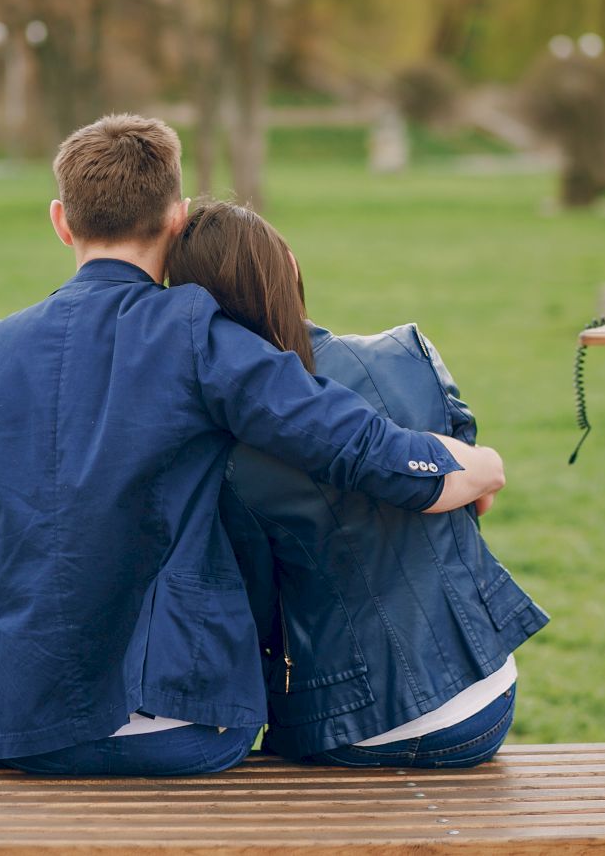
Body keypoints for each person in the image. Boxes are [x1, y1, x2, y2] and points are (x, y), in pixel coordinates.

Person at [0, 114, 506, 777]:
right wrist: (470, 467)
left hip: (17, 725)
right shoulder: (199, 332)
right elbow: (354, 444)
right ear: (177, 217)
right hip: (178, 723)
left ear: (61, 221)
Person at [166, 201, 548, 768]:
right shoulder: (408, 354)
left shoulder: (220, 447)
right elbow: (479, 499)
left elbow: (254, 600)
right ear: (290, 267)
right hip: (480, 697)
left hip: (340, 721)